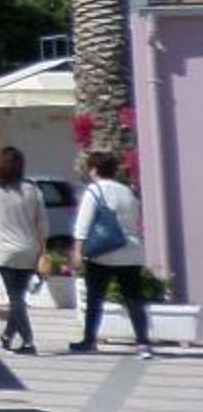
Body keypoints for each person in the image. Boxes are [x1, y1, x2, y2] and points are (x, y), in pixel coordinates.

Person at [68, 149, 153, 358]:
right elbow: (135, 220)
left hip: (103, 253)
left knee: (95, 298)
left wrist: (78, 251)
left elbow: (83, 224)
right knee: (133, 298)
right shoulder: (127, 191)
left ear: (94, 170)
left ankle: (89, 340)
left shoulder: (94, 190)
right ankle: (143, 343)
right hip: (131, 252)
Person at [0, 145, 49, 354]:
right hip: (29, 249)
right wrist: (43, 250)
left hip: (3, 250)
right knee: (18, 296)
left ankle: (28, 341)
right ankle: (7, 334)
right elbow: (42, 224)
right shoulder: (33, 190)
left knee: (15, 297)